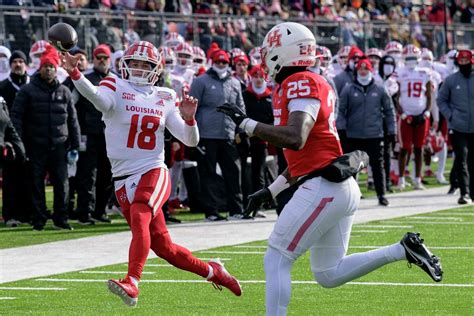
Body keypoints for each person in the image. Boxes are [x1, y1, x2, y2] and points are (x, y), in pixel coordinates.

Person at [217, 22, 443, 316]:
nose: (266, 56)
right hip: (334, 184)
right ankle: (402, 250)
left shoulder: (301, 81)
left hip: (324, 185)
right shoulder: (300, 82)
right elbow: (306, 154)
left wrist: (248, 125)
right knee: (328, 273)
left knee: (276, 257)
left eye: (271, 49)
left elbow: (296, 138)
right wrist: (270, 191)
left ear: (285, 52)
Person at [61, 40, 241, 307]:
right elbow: (97, 98)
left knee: (141, 212)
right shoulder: (114, 85)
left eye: (144, 64)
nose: (138, 68)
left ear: (156, 69)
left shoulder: (165, 96)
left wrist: (190, 120)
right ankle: (214, 271)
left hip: (152, 168)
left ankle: (132, 281)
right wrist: (75, 75)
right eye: (134, 62)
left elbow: (190, 140)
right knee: (164, 249)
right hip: (122, 177)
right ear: (124, 64)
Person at [11, 46, 80, 231]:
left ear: (56, 68)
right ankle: (39, 219)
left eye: (51, 66)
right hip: (35, 145)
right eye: (45, 66)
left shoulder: (64, 91)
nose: (48, 69)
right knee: (36, 184)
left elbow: (72, 119)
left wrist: (75, 144)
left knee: (62, 184)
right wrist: (20, 144)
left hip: (59, 146)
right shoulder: (27, 91)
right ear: (39, 68)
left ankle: (61, 219)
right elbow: (16, 118)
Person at [189, 49, 247, 221]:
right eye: (218, 62)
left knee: (233, 173)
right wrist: (193, 132)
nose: (221, 65)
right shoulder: (201, 81)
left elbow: (240, 107)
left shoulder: (235, 82)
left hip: (228, 134)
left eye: (224, 62)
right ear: (212, 62)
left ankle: (236, 209)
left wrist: (241, 129)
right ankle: (211, 211)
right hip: (207, 134)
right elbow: (192, 108)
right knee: (208, 174)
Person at [337, 58, 396, 206]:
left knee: (377, 166)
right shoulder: (348, 89)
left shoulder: (380, 89)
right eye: (360, 69)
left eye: (366, 69)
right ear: (357, 71)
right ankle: (349, 198)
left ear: (371, 71)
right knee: (351, 168)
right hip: (353, 134)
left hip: (374, 134)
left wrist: (392, 131)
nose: (363, 72)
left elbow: (389, 111)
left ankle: (381, 194)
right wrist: (341, 128)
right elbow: (341, 110)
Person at [71, 44, 114, 225]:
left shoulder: (116, 81)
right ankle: (84, 212)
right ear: (93, 59)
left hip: (110, 135)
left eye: (105, 58)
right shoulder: (85, 79)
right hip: (89, 133)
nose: (102, 61)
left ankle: (100, 211)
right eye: (99, 57)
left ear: (110, 60)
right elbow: (71, 105)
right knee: (87, 175)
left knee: (107, 174)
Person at [437, 49, 474, 204]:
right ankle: (464, 193)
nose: (463, 64)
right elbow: (441, 100)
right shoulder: (451, 80)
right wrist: (451, 115)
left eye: (466, 61)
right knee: (461, 159)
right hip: (458, 126)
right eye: (461, 61)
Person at [0, 50, 32, 226]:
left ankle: (27, 213)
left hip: (31, 139)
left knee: (30, 178)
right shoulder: (3, 87)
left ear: (26, 64)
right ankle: (10, 215)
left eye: (21, 61)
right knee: (11, 179)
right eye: (15, 61)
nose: (18, 64)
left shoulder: (34, 84)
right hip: (10, 140)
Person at [396, 45, 432, 190]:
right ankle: (401, 179)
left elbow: (429, 96)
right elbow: (396, 97)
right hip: (406, 115)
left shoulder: (425, 73)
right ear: (404, 59)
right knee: (404, 148)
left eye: (413, 58)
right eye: (408, 58)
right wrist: (402, 113)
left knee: (419, 148)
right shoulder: (399, 73)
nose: (411, 61)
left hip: (421, 114)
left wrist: (427, 112)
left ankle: (417, 179)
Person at [0, 96, 26, 226]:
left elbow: (8, 126)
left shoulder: (1, 101)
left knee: (9, 182)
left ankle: (10, 215)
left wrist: (19, 148)